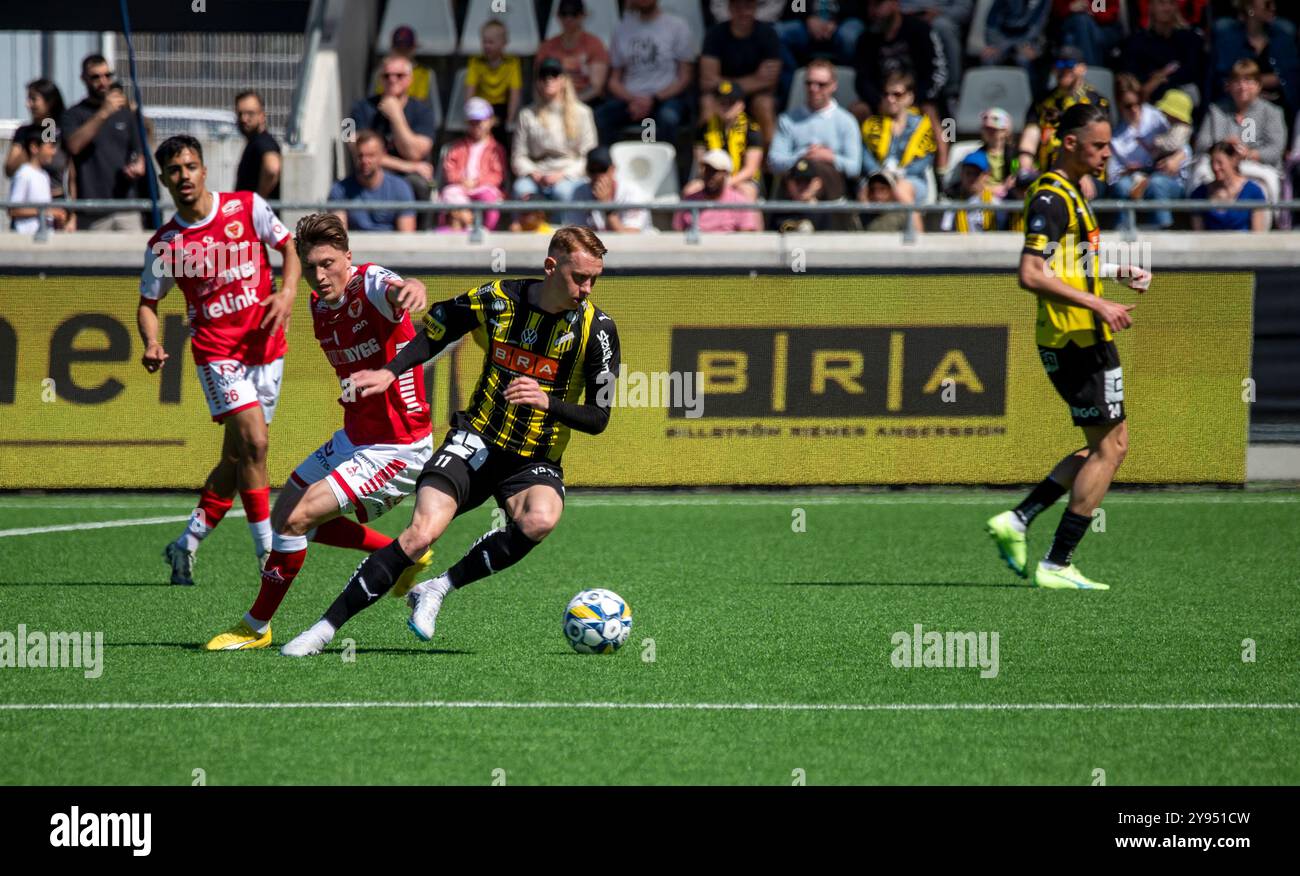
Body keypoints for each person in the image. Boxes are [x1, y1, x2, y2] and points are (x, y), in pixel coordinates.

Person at [279, 226, 622, 656]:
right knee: (421, 535)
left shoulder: (600, 331)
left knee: (541, 520)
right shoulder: (497, 298)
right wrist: (391, 371)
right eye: (579, 278)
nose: (587, 289)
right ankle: (323, 630)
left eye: (594, 279)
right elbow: (437, 328)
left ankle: (436, 588)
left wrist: (547, 401)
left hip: (534, 458)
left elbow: (599, 417)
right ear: (551, 267)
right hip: (474, 441)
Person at [204, 213, 435, 650]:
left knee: (295, 520)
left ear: (348, 257)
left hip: (398, 447)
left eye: (328, 263)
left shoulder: (369, 284)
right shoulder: (317, 305)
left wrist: (412, 289)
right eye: (310, 267)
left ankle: (255, 627)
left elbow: (396, 289)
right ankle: (404, 552)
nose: (320, 275)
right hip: (355, 436)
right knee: (284, 518)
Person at [987, 102, 1153, 591]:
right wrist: (1097, 306)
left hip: (1078, 334)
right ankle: (1057, 563)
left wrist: (1116, 273)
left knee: (1103, 446)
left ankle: (1018, 520)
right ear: (1070, 144)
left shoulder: (1072, 194)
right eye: (1099, 145)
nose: (1107, 153)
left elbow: (1067, 265)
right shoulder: (1052, 197)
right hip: (1077, 336)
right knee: (1112, 447)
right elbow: (1031, 273)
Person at [138, 135, 301, 586]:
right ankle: (267, 551)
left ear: (204, 170)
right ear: (165, 179)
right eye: (174, 170)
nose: (184, 176)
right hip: (217, 353)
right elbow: (148, 303)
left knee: (236, 459)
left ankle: (184, 545)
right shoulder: (166, 244)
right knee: (256, 444)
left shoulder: (247, 207)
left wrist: (287, 293)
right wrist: (152, 343)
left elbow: (289, 248)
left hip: (267, 349)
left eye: (190, 166)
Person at [850, 0, 949, 169]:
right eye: (871, 5)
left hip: (918, 97)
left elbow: (938, 72)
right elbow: (861, 80)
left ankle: (942, 173)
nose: (874, 11)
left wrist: (915, 98)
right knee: (858, 110)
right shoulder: (866, 38)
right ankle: (863, 167)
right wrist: (879, 100)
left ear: (895, 4)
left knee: (932, 113)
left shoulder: (920, 30)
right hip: (882, 98)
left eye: (879, 4)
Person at [63, 54, 147, 230]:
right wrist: (103, 113)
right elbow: (74, 146)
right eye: (95, 77)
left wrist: (138, 164)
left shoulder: (126, 113)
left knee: (134, 256)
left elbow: (138, 150)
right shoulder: (74, 114)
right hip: (93, 210)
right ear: (83, 79)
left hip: (127, 208)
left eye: (107, 76)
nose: (103, 82)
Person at [346, 54, 437, 217]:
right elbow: (354, 147)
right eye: (386, 75)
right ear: (380, 79)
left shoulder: (424, 111)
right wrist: (409, 166)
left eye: (399, 76)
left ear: (410, 79)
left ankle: (421, 234)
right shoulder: (359, 108)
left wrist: (396, 116)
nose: (392, 80)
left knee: (418, 185)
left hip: (410, 178)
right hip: (372, 171)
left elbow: (415, 153)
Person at [597, 0, 695, 146]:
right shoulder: (621, 28)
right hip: (630, 99)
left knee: (668, 118)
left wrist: (653, 99)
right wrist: (634, 100)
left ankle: (669, 166)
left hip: (665, 97)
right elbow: (613, 80)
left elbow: (685, 76)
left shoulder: (677, 26)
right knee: (601, 116)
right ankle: (609, 165)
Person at [1018, 45, 1110, 194]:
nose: (1063, 70)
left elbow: (1099, 144)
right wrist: (1025, 169)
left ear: (1082, 68)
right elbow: (1030, 136)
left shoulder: (1096, 102)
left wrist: (1084, 173)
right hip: (1047, 174)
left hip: (1087, 174)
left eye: (1069, 64)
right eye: (1059, 65)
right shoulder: (1042, 101)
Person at [768, 59, 862, 201]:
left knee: (818, 169)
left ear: (834, 86)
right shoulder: (787, 119)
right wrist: (804, 155)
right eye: (809, 83)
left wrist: (829, 157)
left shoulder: (846, 121)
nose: (813, 88)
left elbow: (854, 167)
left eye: (821, 84)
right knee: (804, 169)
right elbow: (774, 162)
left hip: (830, 193)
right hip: (794, 186)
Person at [1105, 74, 1185, 229]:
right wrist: (1129, 172)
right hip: (1133, 181)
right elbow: (1112, 175)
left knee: (1156, 183)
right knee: (1122, 187)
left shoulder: (1157, 117)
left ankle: (1163, 233)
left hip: (1166, 178)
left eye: (1138, 103)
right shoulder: (1115, 135)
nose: (1135, 109)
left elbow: (1183, 141)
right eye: (1128, 105)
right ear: (1119, 105)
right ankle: (1123, 234)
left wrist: (1177, 157)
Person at [512, 60, 597, 203]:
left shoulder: (583, 113)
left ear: (564, 80)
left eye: (554, 74)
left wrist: (564, 174)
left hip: (570, 173)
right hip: (537, 173)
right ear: (538, 82)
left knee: (563, 192)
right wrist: (533, 172)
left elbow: (588, 156)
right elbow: (518, 156)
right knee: (521, 189)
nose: (549, 79)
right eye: (543, 76)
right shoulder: (526, 114)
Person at [699, 0, 782, 143]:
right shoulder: (715, 34)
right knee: (707, 102)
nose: (743, 12)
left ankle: (770, 162)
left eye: (748, 7)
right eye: (738, 7)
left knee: (765, 104)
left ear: (755, 8)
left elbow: (770, 81)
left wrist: (723, 81)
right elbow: (707, 82)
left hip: (755, 96)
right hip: (721, 95)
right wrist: (755, 79)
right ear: (730, 8)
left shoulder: (768, 34)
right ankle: (705, 159)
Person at [1194, 60, 1286, 179]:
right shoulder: (1215, 111)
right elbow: (1202, 143)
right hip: (1218, 165)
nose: (1242, 87)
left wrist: (1250, 154)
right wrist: (1223, 145)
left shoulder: (1272, 112)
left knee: (1267, 179)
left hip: (1258, 166)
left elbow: (1276, 148)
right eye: (1237, 81)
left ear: (1258, 85)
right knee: (1201, 172)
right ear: (1229, 86)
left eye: (1248, 81)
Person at [1212, 0, 1299, 121]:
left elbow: (1291, 76)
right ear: (1250, 8)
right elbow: (1224, 79)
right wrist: (1257, 87)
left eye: (1274, 3)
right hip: (1237, 105)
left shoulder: (1283, 37)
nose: (1273, 8)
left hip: (1279, 106)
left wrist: (1249, 84)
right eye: (1267, 4)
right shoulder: (1229, 39)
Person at [860, 71, 937, 204]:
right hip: (877, 178)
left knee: (901, 190)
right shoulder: (871, 124)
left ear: (910, 97)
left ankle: (912, 226)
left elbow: (926, 160)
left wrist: (898, 175)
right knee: (865, 190)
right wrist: (881, 175)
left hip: (911, 179)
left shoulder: (924, 125)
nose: (890, 99)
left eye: (897, 94)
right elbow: (864, 155)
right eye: (886, 94)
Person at [685, 79, 764, 199]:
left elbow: (750, 169)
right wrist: (713, 180)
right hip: (710, 179)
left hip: (741, 180)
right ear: (715, 104)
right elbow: (700, 163)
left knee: (748, 192)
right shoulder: (704, 128)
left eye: (731, 102)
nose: (726, 107)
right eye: (722, 102)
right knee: (690, 190)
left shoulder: (752, 129)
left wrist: (728, 182)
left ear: (741, 105)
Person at [1120, 0, 1208, 107]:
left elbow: (1192, 71)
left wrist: (1161, 78)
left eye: (1171, 3)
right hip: (1148, 98)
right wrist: (1154, 80)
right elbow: (1132, 75)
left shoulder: (1190, 38)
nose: (1167, 8)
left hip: (1180, 96)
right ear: (1151, 7)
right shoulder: (1137, 42)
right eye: (1161, 3)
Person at [438, 98, 508, 232]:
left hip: (484, 187)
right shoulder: (457, 147)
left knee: (490, 198)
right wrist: (461, 181)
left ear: (490, 121)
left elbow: (497, 175)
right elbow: (449, 169)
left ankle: (489, 229)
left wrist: (477, 182)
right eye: (472, 122)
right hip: (461, 186)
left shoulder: (496, 149)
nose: (476, 126)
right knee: (448, 194)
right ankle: (453, 229)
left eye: (480, 122)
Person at [328, 129, 417, 232]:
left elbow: (406, 236)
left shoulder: (400, 187)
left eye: (371, 155)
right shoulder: (339, 190)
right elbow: (339, 238)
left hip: (391, 246)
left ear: (382, 155)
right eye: (360, 155)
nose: (365, 161)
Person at [4, 78, 70, 208]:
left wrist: (48, 127)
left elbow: (53, 160)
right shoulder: (24, 132)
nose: (28, 104)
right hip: (28, 203)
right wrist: (31, 144)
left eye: (33, 99)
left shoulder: (63, 129)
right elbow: (10, 169)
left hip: (57, 202)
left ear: (50, 102)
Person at [536, 0, 610, 105]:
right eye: (564, 14)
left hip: (587, 103)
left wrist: (570, 105)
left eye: (574, 14)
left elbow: (596, 88)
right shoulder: (547, 47)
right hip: (552, 102)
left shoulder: (594, 44)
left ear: (583, 16)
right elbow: (538, 83)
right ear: (558, 16)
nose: (568, 19)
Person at [566, 145, 653, 232]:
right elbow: (575, 234)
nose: (597, 175)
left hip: (639, 244)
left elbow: (629, 237)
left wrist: (606, 207)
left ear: (613, 169)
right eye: (592, 170)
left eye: (602, 169)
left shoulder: (632, 193)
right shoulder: (579, 193)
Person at [673, 149, 761, 232]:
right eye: (707, 170)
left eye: (715, 171)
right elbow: (677, 232)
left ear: (726, 173)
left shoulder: (739, 203)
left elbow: (747, 236)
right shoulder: (689, 201)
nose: (710, 175)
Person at [1189, 141, 1269, 231]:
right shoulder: (1200, 193)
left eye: (1220, 162)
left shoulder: (1253, 192)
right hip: (1211, 243)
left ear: (1233, 161)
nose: (1215, 167)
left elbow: (1257, 233)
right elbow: (1198, 234)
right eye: (1212, 162)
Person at [466, 19, 525, 139]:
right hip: (481, 105)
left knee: (500, 130)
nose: (486, 46)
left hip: (501, 107)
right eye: (484, 42)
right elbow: (470, 91)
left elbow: (515, 94)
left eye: (491, 42)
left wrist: (510, 118)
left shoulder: (512, 64)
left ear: (504, 43)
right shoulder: (475, 63)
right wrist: (469, 112)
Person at [8, 127, 69, 234]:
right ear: (34, 147)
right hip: (27, 239)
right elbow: (13, 210)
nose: (53, 152)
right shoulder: (24, 174)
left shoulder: (44, 175)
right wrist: (48, 212)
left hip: (44, 236)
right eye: (50, 147)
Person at [978, 0, 1052, 78]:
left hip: (1025, 37)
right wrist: (992, 43)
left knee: (1024, 59)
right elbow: (992, 19)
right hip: (1002, 35)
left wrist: (1031, 46)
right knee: (989, 58)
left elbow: (1039, 23)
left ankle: (1023, 88)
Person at [935, 149, 1001, 231]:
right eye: (968, 173)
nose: (971, 178)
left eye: (976, 174)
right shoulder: (953, 207)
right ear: (962, 174)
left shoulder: (996, 204)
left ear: (986, 176)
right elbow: (946, 232)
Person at [370, 25, 436, 105]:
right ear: (392, 49)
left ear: (414, 48)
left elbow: (433, 111)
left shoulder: (425, 74)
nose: (402, 53)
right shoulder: (381, 72)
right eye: (399, 49)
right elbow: (369, 104)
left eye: (406, 49)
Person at [234, 90, 281, 200]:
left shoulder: (263, 141)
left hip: (259, 215)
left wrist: (258, 202)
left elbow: (272, 168)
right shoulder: (254, 142)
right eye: (240, 114)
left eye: (250, 113)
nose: (244, 119)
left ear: (262, 116)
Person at [1052, 0, 1125, 68]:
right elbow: (1054, 11)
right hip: (1070, 22)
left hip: (1101, 26)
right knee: (1080, 21)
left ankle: (1070, 75)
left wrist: (1091, 11)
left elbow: (1111, 13)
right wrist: (1070, 7)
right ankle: (1092, 73)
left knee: (1070, 38)